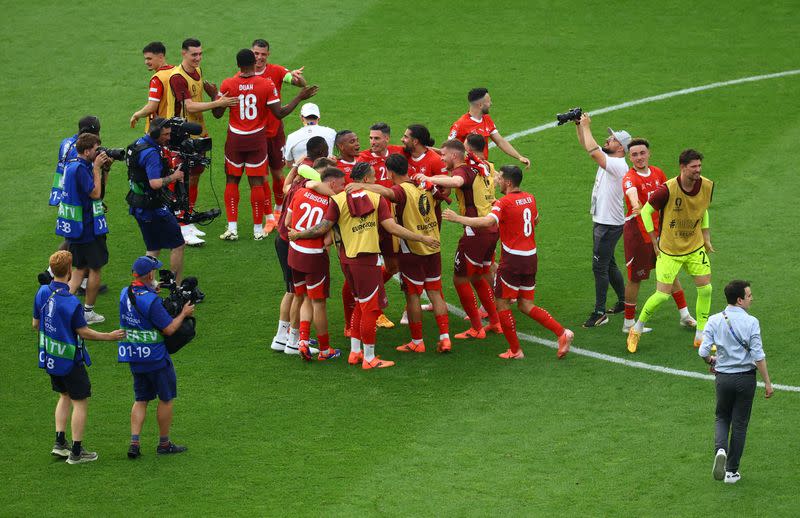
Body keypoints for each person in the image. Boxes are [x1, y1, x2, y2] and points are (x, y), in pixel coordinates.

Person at [288, 162, 440, 369]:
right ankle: (369, 358)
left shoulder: (338, 199)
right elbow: (392, 228)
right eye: (374, 178)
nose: (377, 180)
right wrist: (421, 238)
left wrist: (298, 234)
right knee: (370, 309)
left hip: (346, 260)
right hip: (367, 261)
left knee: (359, 304)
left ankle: (355, 352)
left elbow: (323, 228)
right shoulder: (377, 199)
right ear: (367, 180)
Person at [443, 165, 574, 359]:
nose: (496, 179)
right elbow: (535, 221)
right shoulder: (530, 198)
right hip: (530, 257)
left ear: (509, 182)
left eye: (499, 177)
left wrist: (457, 218)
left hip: (512, 260)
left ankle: (515, 350)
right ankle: (562, 333)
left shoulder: (503, 203)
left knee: (502, 304)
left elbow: (488, 222)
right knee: (526, 305)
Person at [346, 153, 451, 353]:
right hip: (433, 245)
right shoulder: (423, 185)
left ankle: (417, 342)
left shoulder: (401, 191)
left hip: (411, 249)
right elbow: (444, 196)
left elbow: (386, 192)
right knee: (435, 293)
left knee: (413, 296)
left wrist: (362, 185)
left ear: (390, 171)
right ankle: (445, 338)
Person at [215, 49, 317, 241]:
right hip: (256, 140)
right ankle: (257, 230)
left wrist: (215, 96)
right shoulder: (266, 84)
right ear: (254, 63)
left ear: (237, 65)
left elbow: (217, 114)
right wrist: (299, 98)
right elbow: (279, 113)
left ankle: (232, 229)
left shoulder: (228, 83)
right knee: (256, 183)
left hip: (235, 140)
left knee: (232, 181)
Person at [33, 251, 124, 464]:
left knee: (64, 396)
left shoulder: (42, 292)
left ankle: (59, 443)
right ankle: (76, 451)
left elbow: (36, 324)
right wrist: (109, 336)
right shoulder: (71, 302)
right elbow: (84, 332)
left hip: (50, 357)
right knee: (80, 402)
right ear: (69, 271)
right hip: (69, 359)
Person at [627, 149, 715, 353]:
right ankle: (636, 329)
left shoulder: (706, 185)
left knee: (706, 288)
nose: (698, 170)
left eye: (699, 166)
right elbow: (647, 211)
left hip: (694, 247)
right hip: (670, 250)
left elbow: (702, 209)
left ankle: (701, 336)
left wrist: (706, 237)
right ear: (683, 168)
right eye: (694, 167)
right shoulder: (666, 190)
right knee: (662, 295)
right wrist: (654, 240)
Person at [423, 139, 502, 339]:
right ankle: (495, 322)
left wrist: (428, 178)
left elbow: (456, 182)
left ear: (455, 156)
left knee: (460, 279)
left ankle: (476, 328)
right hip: (492, 229)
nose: (441, 159)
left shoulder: (463, 171)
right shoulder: (483, 165)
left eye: (443, 155)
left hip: (475, 232)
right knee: (478, 275)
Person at [119, 256, 195, 458]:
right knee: (166, 398)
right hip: (156, 357)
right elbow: (169, 329)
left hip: (134, 354)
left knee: (141, 399)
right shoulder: (151, 301)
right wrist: (184, 314)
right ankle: (164, 443)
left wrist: (150, 291)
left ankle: (134, 443)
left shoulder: (124, 293)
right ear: (150, 274)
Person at [699, 280, 773, 484]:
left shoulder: (714, 320)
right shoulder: (752, 322)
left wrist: (711, 361)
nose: (752, 298)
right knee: (739, 424)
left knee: (722, 417)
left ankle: (720, 449)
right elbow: (758, 355)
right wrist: (767, 382)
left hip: (723, 378)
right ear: (739, 300)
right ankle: (731, 472)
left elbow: (703, 351)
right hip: (746, 379)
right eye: (749, 296)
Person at [165, 38, 237, 239]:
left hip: (198, 133)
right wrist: (218, 102)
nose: (197, 58)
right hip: (181, 135)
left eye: (200, 54)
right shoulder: (177, 77)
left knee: (195, 174)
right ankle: (178, 223)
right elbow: (189, 106)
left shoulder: (197, 71)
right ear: (183, 54)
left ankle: (187, 217)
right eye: (193, 54)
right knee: (181, 178)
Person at [621, 138, 696, 333]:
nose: (639, 157)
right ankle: (628, 323)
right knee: (636, 278)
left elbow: (669, 197)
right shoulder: (630, 178)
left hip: (661, 234)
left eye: (642, 153)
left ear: (649, 154)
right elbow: (631, 194)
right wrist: (636, 204)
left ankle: (685, 315)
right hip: (638, 234)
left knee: (669, 272)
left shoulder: (657, 173)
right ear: (630, 157)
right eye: (635, 154)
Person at [271, 152, 334, 355]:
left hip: (287, 242)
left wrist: (294, 169)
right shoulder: (328, 200)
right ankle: (291, 339)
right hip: (299, 246)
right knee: (300, 295)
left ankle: (286, 338)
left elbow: (285, 189)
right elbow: (326, 237)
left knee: (295, 293)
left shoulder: (299, 187)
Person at [575, 112, 630, 328]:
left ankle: (600, 312)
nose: (608, 139)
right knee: (608, 263)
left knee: (599, 267)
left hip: (608, 224)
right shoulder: (611, 160)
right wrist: (579, 126)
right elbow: (587, 145)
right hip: (605, 221)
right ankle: (624, 301)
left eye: (613, 139)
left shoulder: (617, 165)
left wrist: (587, 126)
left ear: (621, 148)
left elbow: (592, 151)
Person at [286, 167, 347, 361]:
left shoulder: (300, 191)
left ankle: (302, 341)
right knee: (318, 303)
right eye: (341, 184)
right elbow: (328, 241)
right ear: (331, 184)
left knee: (302, 296)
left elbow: (288, 221)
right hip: (314, 257)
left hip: (294, 253)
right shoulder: (332, 203)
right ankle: (325, 349)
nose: (343, 188)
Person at [56, 132, 113, 324]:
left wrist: (104, 170)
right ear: (87, 150)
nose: (99, 153)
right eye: (96, 150)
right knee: (95, 269)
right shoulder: (82, 169)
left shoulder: (73, 166)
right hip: (88, 228)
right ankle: (88, 312)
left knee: (80, 270)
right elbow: (96, 194)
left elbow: (95, 192)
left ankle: (60, 309)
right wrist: (97, 168)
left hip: (77, 228)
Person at [250, 38, 308, 217]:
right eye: (256, 54)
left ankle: (279, 208)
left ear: (268, 55)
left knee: (277, 172)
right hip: (255, 133)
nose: (259, 58)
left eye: (263, 54)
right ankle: (268, 216)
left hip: (274, 131)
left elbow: (300, 83)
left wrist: (298, 78)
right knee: (261, 176)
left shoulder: (276, 70)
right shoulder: (244, 74)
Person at [126, 117, 188, 281]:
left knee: (153, 248)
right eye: (165, 134)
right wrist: (174, 176)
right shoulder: (151, 154)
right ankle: (177, 286)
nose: (169, 138)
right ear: (154, 133)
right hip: (153, 207)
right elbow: (154, 183)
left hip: (139, 204)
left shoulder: (138, 144)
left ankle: (148, 284)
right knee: (178, 245)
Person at [448, 87, 530, 168]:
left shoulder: (486, 119)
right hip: (467, 171)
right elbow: (449, 148)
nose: (491, 104)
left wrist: (519, 157)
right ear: (480, 105)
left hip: (482, 168)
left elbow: (500, 141)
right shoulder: (461, 124)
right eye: (488, 101)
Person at [51, 116, 101, 207]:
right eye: (97, 133)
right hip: (75, 195)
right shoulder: (79, 152)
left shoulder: (66, 142)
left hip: (61, 190)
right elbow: (90, 185)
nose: (98, 136)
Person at [129, 42, 175, 131]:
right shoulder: (176, 71)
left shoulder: (157, 79)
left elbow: (151, 107)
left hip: (161, 129)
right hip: (176, 124)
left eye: (149, 59)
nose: (146, 62)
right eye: (145, 59)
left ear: (161, 57)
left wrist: (136, 114)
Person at [357, 122, 405, 188]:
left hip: (397, 196)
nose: (372, 142)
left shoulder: (398, 151)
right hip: (376, 197)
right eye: (371, 138)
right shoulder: (363, 159)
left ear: (387, 139)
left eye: (376, 138)